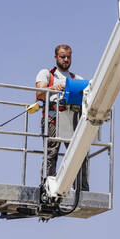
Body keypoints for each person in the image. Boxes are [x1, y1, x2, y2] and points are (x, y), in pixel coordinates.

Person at [35, 44, 89, 191]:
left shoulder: (76, 79)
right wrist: (54, 88)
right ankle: (47, 187)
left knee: (79, 154)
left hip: (72, 121)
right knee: (51, 154)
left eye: (68, 57)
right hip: (53, 119)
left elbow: (87, 94)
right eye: (62, 57)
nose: (66, 60)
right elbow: (39, 94)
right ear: (56, 57)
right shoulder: (47, 74)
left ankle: (81, 189)